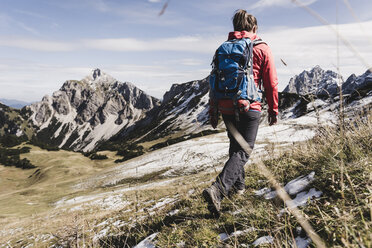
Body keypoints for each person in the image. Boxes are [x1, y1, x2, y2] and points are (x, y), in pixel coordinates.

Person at [203, 9, 279, 217]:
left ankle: (238, 188)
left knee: (235, 146)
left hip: (226, 106)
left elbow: (213, 81)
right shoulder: (262, 47)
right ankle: (217, 190)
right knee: (244, 150)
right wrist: (273, 109)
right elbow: (271, 82)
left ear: (235, 27)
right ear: (254, 28)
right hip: (249, 106)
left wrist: (213, 111)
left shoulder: (222, 49)